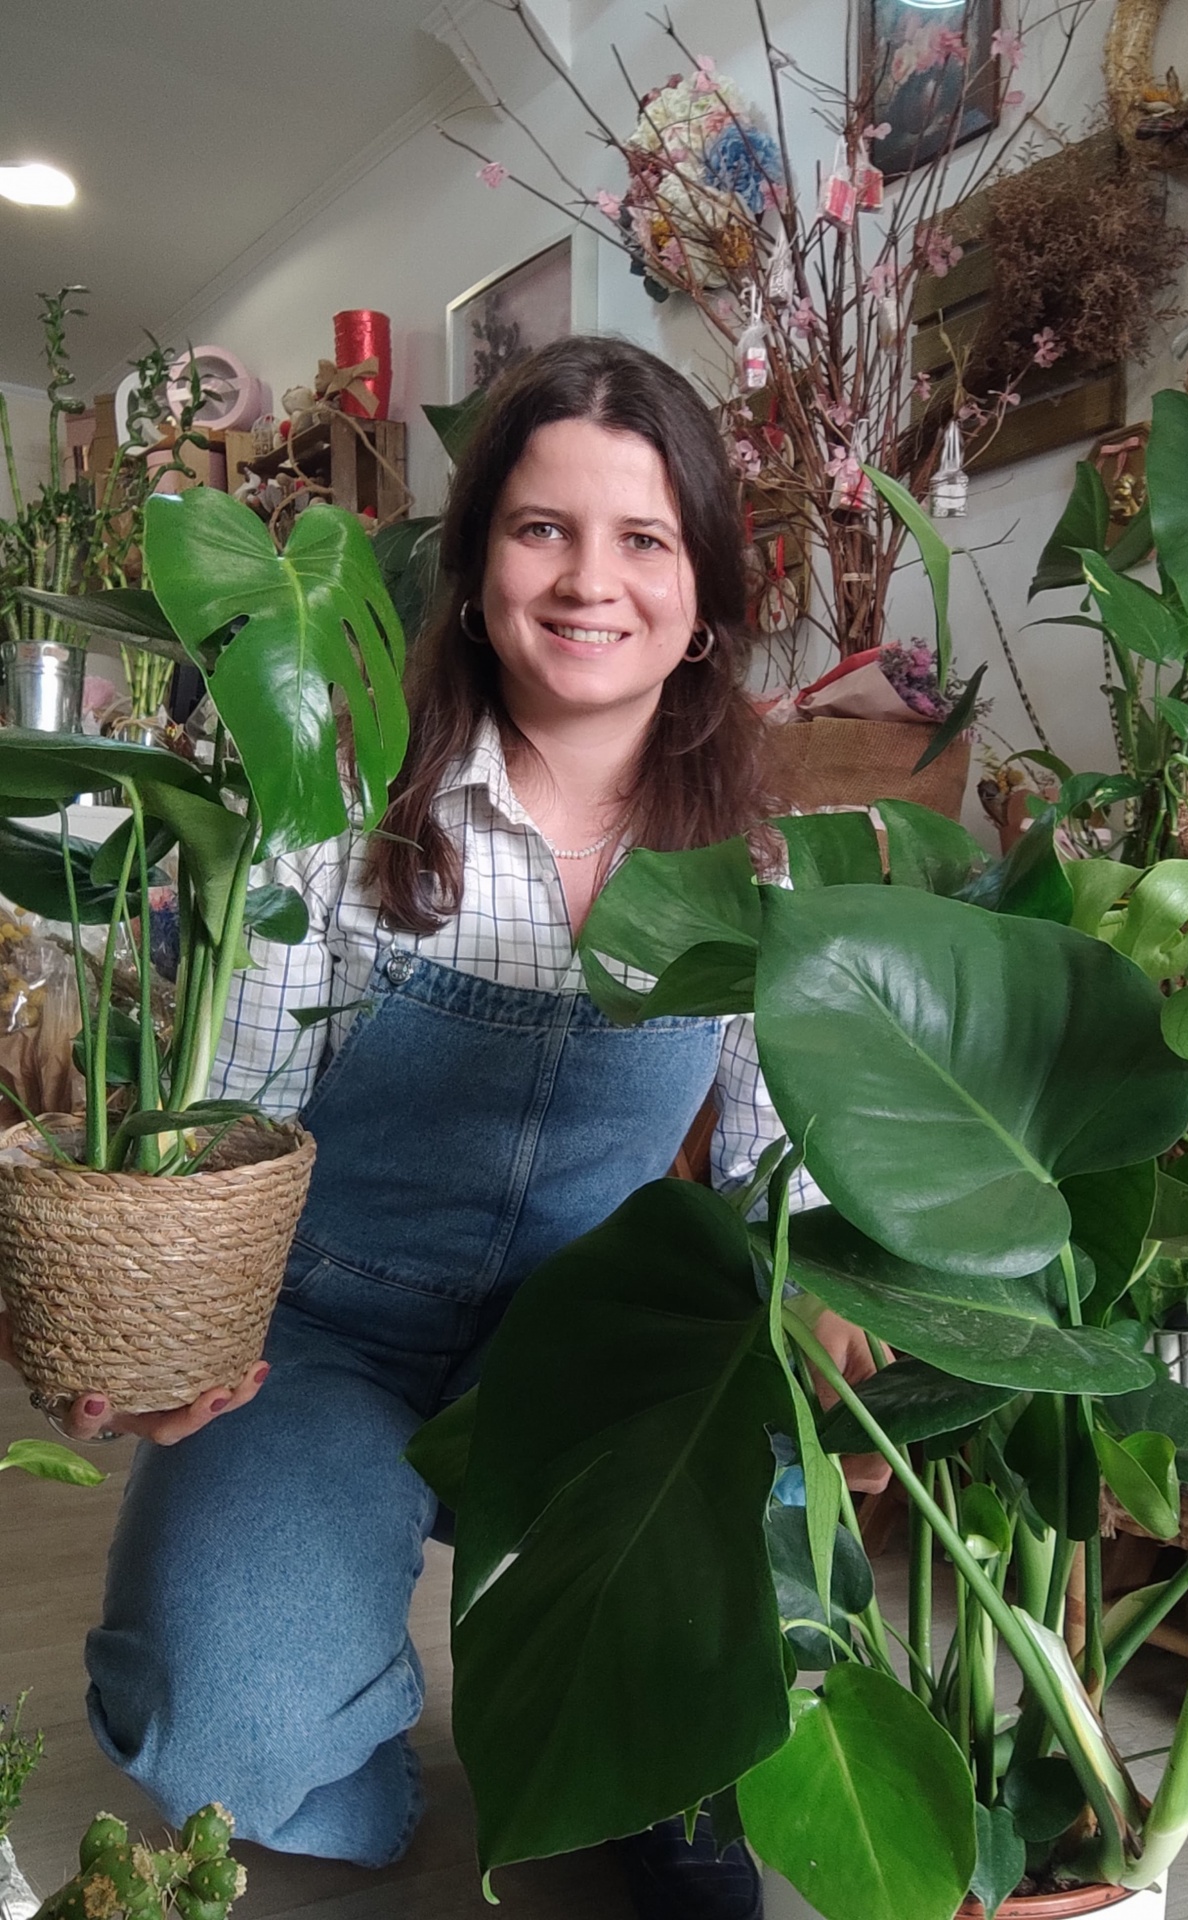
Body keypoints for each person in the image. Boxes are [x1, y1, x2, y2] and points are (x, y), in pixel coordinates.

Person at [0, 337, 883, 1919]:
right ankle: (396, 1681)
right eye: (542, 529)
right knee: (238, 1738)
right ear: (474, 569)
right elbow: (232, 1120)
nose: (586, 580)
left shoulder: (765, 866)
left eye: (642, 539)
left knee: (738, 1692)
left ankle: (616, 1741)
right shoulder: (336, 806)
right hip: (320, 1333)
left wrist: (826, 1312)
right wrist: (144, 1328)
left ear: (702, 598)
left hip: (597, 1344)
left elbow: (773, 1168)